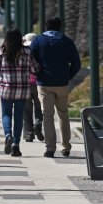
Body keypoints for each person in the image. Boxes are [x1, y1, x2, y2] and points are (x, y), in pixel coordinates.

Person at [30, 16, 81, 158]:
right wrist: (68, 76)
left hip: (44, 83)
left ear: (46, 26)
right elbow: (77, 64)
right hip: (62, 84)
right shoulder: (67, 41)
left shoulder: (38, 40)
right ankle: (66, 147)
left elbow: (30, 58)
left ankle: (50, 148)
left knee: (47, 116)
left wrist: (36, 71)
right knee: (63, 114)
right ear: (60, 27)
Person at [0, 28, 36, 157]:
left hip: (6, 88)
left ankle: (8, 135)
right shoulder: (27, 51)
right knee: (19, 116)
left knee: (6, 114)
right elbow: (35, 68)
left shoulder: (0, 51)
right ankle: (16, 145)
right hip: (22, 89)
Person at [21, 33, 44, 143]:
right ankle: (38, 125)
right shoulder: (41, 50)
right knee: (39, 108)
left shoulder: (22, 51)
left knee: (26, 110)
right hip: (38, 82)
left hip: (25, 83)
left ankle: (29, 134)